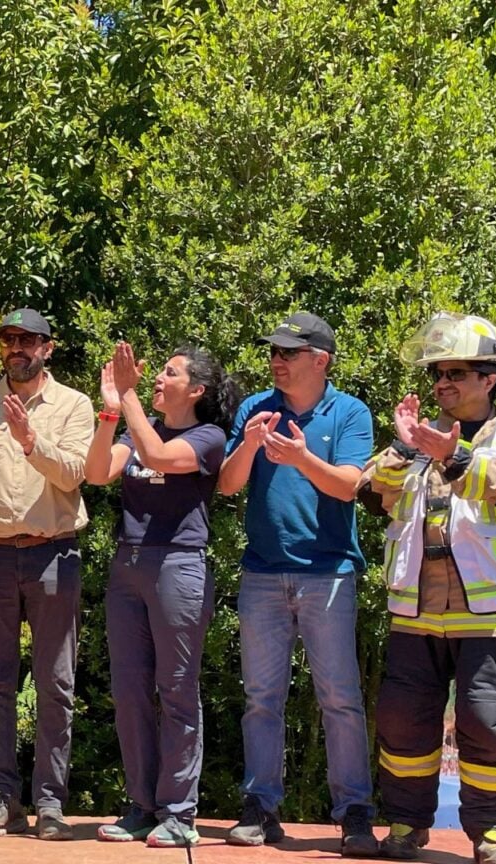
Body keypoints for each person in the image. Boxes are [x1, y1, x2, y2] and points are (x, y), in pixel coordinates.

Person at [356, 313, 496, 864]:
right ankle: (406, 824)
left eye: (455, 373)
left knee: (484, 722)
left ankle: (493, 834)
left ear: (490, 378)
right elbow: (370, 494)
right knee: (402, 719)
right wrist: (402, 449)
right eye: (437, 374)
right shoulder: (418, 441)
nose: (442, 383)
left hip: (491, 611)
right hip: (416, 610)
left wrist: (456, 456)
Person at [217, 312, 377, 856]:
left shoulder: (350, 412)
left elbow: (350, 486)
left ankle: (354, 813)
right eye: (274, 352)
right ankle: (260, 807)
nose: (277, 361)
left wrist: (302, 457)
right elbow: (227, 486)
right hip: (262, 573)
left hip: (328, 574)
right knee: (261, 698)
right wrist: (248, 445)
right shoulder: (255, 408)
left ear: (320, 360)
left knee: (340, 699)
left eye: (288, 352)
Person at [0, 309, 93, 841]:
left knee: (57, 684)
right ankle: (2, 799)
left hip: (53, 554)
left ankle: (50, 802)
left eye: (27, 340)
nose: (16, 348)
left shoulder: (73, 404)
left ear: (47, 348)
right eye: (9, 339)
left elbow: (76, 474)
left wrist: (31, 442)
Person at [84, 341, 238, 848]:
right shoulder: (137, 426)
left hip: (178, 565)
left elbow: (158, 456)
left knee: (176, 690)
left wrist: (127, 394)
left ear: (196, 390)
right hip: (127, 566)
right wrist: (112, 409)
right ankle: (142, 807)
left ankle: (178, 813)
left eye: (170, 373)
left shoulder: (208, 437)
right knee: (130, 692)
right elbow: (97, 473)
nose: (158, 378)